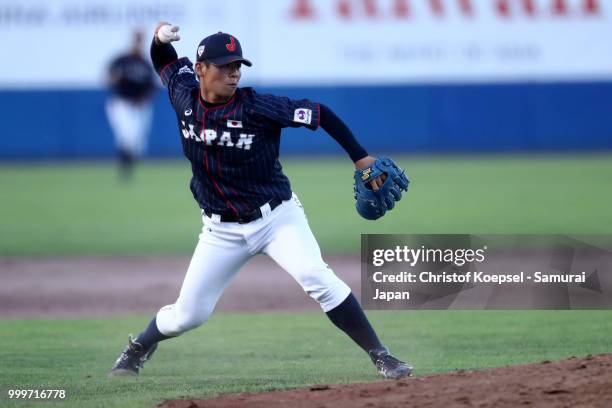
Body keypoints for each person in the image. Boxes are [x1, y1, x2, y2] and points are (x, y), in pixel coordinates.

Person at [109, 22, 412, 380]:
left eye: (238, 65)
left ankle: (382, 356)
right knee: (189, 315)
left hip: (277, 218)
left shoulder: (258, 107)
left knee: (316, 276)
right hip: (220, 229)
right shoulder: (183, 93)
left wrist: (361, 158)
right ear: (201, 69)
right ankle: (138, 347)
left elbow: (320, 113)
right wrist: (159, 38)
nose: (233, 73)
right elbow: (164, 60)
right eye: (225, 66)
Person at [106, 30, 156, 181]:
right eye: (136, 40)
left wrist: (143, 100)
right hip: (122, 104)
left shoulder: (145, 64)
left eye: (140, 40)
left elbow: (151, 87)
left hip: (140, 106)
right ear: (132, 41)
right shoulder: (122, 60)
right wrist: (114, 79)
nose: (138, 43)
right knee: (127, 137)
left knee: (138, 143)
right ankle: (125, 172)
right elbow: (109, 78)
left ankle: (127, 168)